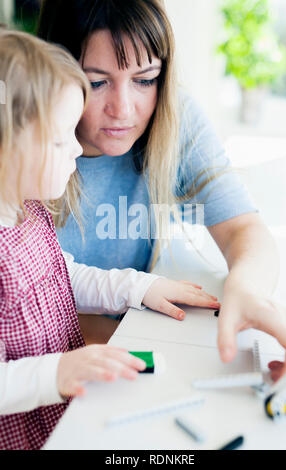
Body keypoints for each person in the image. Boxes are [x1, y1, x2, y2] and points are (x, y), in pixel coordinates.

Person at [37, 0, 286, 378]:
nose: (123, 108)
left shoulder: (175, 114)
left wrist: (248, 292)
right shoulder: (18, 141)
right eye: (95, 82)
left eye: (144, 79)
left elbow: (245, 229)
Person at [0, 29, 222, 450]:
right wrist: (57, 373)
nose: (78, 151)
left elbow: (63, 278)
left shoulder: (27, 213)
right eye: (61, 138)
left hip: (60, 409)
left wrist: (140, 287)